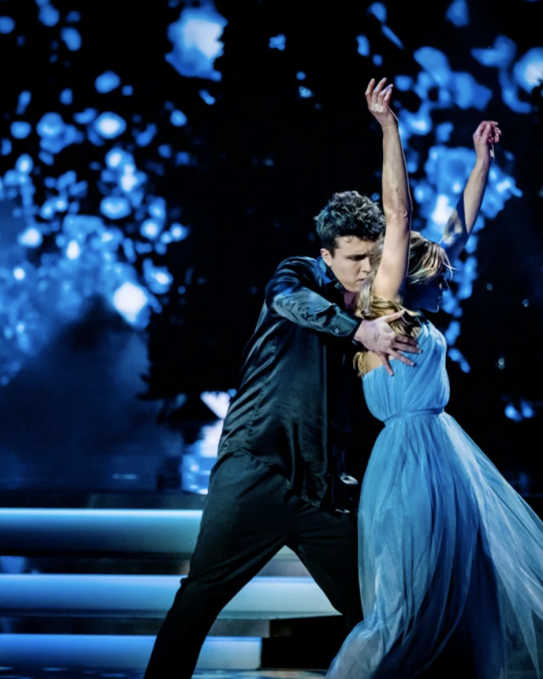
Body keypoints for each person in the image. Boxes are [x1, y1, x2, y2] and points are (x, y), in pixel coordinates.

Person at [325, 78, 543, 678]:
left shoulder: (416, 311)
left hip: (445, 455)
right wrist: (388, 127)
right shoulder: (385, 310)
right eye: (439, 278)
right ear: (410, 278)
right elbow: (399, 215)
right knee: (403, 605)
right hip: (409, 461)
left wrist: (481, 161)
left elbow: (458, 230)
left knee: (477, 590)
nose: (449, 283)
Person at [143, 164, 423, 677]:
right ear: (327, 256)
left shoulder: (370, 304)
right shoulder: (298, 275)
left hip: (319, 491)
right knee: (198, 601)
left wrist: (479, 163)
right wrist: (358, 332)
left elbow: (422, 230)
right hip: (255, 472)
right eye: (354, 258)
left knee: (374, 611)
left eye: (371, 256)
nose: (365, 268)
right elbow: (287, 301)